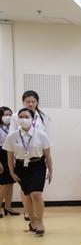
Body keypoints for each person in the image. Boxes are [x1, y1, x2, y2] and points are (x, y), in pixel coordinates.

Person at [2, 108, 53, 236]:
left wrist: (51, 171)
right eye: (21, 117)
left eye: (26, 116)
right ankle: (32, 221)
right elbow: (9, 156)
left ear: (32, 119)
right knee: (27, 196)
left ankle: (40, 221)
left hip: (38, 166)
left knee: (36, 194)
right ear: (17, 119)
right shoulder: (12, 136)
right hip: (21, 167)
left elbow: (48, 155)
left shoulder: (41, 134)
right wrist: (12, 172)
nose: (23, 119)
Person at [9, 90, 50, 221]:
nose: (31, 104)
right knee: (25, 188)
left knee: (36, 190)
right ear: (23, 102)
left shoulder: (42, 117)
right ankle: (28, 211)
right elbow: (11, 135)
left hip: (37, 154)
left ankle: (37, 215)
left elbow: (45, 136)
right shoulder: (16, 116)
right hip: (21, 154)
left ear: (37, 102)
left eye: (33, 101)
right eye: (28, 101)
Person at [0, 107, 19, 218]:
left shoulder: (12, 128)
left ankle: (8, 206)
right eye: (6, 115)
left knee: (10, 183)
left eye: (10, 115)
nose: (9, 117)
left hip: (10, 154)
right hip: (1, 155)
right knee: (3, 184)